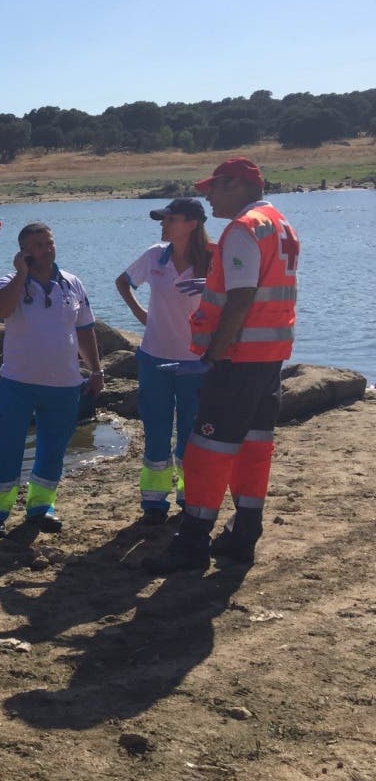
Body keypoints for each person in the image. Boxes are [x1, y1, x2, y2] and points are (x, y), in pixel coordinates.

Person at [144, 158, 299, 574]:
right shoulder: (278, 222)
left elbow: (241, 298)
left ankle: (192, 542)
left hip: (237, 360)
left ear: (237, 185)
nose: (208, 196)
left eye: (214, 188)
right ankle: (243, 535)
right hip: (268, 358)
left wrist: (212, 356)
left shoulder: (243, 229)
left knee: (205, 453)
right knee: (253, 448)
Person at [0, 222, 104, 540]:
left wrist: (96, 370)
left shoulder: (72, 283)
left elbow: (85, 330)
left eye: (48, 243)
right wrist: (21, 274)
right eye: (37, 245)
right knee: (7, 448)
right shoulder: (9, 283)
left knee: (53, 450)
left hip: (65, 385)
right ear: (24, 252)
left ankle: (41, 507)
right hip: (18, 383)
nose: (45, 249)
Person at [115, 198, 214, 525]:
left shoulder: (215, 258)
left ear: (192, 224)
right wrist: (140, 313)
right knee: (156, 429)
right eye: (163, 219)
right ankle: (154, 503)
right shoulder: (155, 254)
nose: (163, 224)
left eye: (170, 219)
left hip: (196, 361)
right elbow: (123, 282)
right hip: (154, 358)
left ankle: (190, 497)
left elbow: (233, 302)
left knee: (191, 432)